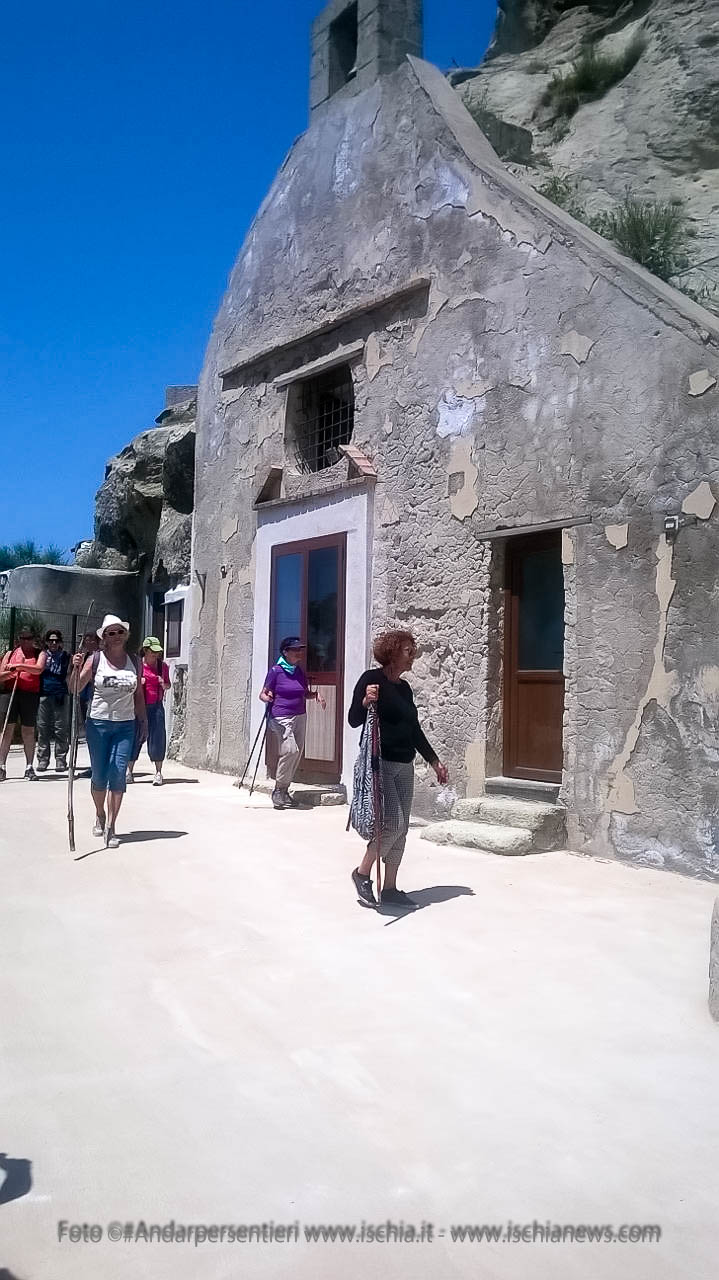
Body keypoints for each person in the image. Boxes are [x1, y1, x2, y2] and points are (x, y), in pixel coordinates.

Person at [348, 630, 449, 910]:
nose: (413, 653)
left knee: (402, 828)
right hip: (381, 764)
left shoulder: (404, 689)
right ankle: (362, 873)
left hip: (405, 765)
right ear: (392, 652)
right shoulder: (371, 680)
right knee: (392, 823)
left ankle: (390, 888)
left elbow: (414, 730)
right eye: (408, 649)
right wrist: (367, 701)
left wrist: (434, 761)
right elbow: (354, 719)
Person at [68, 615, 147, 848]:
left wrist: (144, 721)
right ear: (104, 637)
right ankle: (100, 814)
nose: (115, 637)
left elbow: (138, 695)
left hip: (125, 724)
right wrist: (77, 667)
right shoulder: (95, 660)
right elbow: (74, 687)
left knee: (118, 774)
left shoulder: (135, 660)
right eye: (110, 633)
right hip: (98, 724)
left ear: (126, 635)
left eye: (119, 632)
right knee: (100, 776)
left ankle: (111, 826)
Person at [259, 636, 326, 810]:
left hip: (300, 715)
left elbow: (304, 693)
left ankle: (284, 791)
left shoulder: (298, 671)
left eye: (300, 649)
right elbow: (263, 694)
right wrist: (268, 697)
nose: (299, 652)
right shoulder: (276, 671)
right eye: (295, 649)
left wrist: (316, 695)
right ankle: (278, 789)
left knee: (297, 753)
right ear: (285, 652)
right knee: (290, 749)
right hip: (281, 716)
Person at [0, 628, 46, 781]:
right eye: (23, 638)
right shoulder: (10, 653)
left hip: (30, 695)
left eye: (29, 638)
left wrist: (19, 666)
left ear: (34, 638)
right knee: (7, 730)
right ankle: (1, 766)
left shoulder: (40, 653)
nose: (26, 641)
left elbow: (38, 669)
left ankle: (29, 767)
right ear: (18, 638)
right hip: (10, 693)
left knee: (28, 731)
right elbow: (1, 676)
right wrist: (13, 672)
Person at [127, 637, 170, 786]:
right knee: (135, 737)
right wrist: (138, 682)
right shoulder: (136, 665)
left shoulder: (162, 666)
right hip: (138, 707)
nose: (156, 655)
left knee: (158, 738)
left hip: (156, 706)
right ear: (145, 651)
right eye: (153, 652)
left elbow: (168, 685)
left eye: (158, 652)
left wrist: (162, 683)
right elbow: (127, 685)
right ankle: (129, 772)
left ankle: (158, 773)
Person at [36, 629, 71, 772]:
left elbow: (71, 672)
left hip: (61, 694)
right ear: (46, 642)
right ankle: (43, 759)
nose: (54, 643)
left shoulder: (66, 656)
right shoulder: (42, 656)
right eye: (51, 640)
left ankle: (61, 760)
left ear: (60, 642)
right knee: (43, 728)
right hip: (44, 694)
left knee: (60, 729)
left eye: (56, 640)